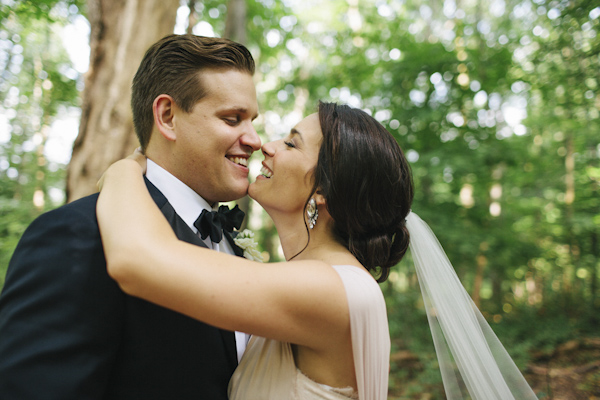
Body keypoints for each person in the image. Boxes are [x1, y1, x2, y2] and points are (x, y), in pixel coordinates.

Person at [97, 101, 539, 399]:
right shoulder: (318, 278)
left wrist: (127, 168)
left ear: (324, 190)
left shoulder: (330, 289)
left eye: (290, 143)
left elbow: (135, 261)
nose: (264, 145)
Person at [0, 34, 261, 399]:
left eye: (252, 120)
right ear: (167, 116)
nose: (254, 139)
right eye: (232, 119)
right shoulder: (78, 233)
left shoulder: (234, 247)